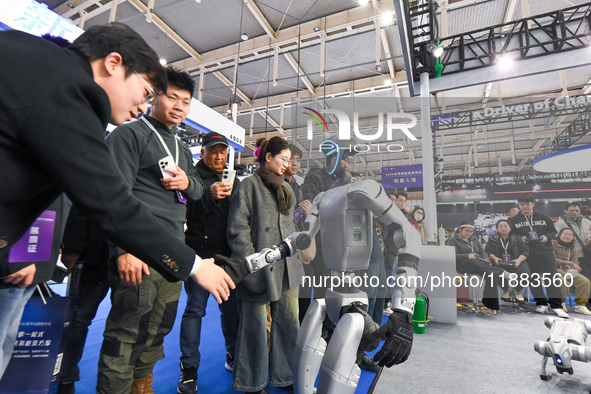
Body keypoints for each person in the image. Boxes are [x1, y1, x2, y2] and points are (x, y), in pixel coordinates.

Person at [0, 24, 233, 381]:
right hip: (136, 253)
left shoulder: (39, 67)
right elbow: (110, 201)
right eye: (145, 91)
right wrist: (195, 266)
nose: (142, 105)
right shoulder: (68, 91)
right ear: (113, 63)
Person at [96, 67, 204, 393]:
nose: (179, 106)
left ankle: (141, 386)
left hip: (173, 252)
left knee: (158, 329)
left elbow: (197, 192)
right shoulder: (129, 135)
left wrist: (188, 182)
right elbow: (115, 196)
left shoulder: (182, 148)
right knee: (126, 333)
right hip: (140, 251)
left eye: (186, 101)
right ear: (154, 95)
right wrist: (124, 249)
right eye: (172, 97)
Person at [227, 137, 303, 394]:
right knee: (255, 325)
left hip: (287, 266)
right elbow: (238, 230)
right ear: (268, 157)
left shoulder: (288, 190)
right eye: (283, 158)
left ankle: (285, 375)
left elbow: (291, 226)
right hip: (259, 267)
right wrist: (249, 266)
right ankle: (252, 382)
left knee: (289, 322)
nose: (287, 164)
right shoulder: (248, 186)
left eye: (289, 160)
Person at [177, 132, 240, 393]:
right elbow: (181, 210)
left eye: (222, 151)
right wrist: (208, 195)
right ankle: (189, 370)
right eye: (212, 151)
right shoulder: (190, 178)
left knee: (232, 311)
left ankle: (233, 355)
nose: (218, 156)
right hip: (199, 257)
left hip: (227, 258)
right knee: (195, 311)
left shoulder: (234, 179)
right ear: (202, 152)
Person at [57, 207, 110, 394]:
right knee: (77, 320)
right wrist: (73, 248)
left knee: (126, 323)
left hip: (134, 256)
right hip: (94, 255)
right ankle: (65, 377)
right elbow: (80, 206)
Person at [510, 194, 566, 318]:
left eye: (527, 204)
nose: (525, 207)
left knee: (551, 279)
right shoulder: (514, 221)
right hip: (528, 254)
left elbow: (553, 231)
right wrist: (520, 239)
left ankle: (556, 306)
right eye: (522, 205)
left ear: (533, 204)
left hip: (546, 252)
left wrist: (547, 237)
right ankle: (541, 303)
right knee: (534, 280)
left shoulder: (544, 217)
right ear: (519, 206)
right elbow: (512, 235)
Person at [448, 222, 505, 312]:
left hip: (478, 264)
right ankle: (501, 272)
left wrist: (485, 258)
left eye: (471, 232)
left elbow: (482, 251)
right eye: (467, 231)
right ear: (460, 229)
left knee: (492, 275)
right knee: (478, 263)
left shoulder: (473, 239)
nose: (469, 234)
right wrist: (467, 256)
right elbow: (451, 255)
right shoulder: (453, 241)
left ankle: (491, 305)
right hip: (463, 265)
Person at [485, 219, 530, 303]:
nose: (503, 228)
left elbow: (526, 251)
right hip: (499, 262)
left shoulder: (518, 239)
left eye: (506, 226)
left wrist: (519, 260)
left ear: (510, 228)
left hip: (516, 262)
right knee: (495, 272)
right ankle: (506, 290)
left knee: (525, 273)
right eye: (500, 226)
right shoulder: (492, 239)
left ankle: (517, 290)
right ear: (497, 229)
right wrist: (494, 258)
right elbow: (488, 251)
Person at [552, 228, 591, 315]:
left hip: (568, 271)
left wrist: (572, 266)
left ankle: (580, 305)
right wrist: (570, 263)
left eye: (570, 235)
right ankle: (560, 303)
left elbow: (575, 262)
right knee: (563, 281)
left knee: (585, 281)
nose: (567, 236)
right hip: (554, 269)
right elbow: (553, 260)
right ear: (559, 235)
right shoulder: (552, 244)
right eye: (565, 234)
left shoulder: (572, 248)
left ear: (573, 238)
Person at [555, 202, 591, 279]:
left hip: (588, 253)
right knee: (586, 279)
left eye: (577, 210)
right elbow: (559, 241)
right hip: (575, 257)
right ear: (565, 211)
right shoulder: (560, 224)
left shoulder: (586, 222)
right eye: (571, 210)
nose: (575, 212)